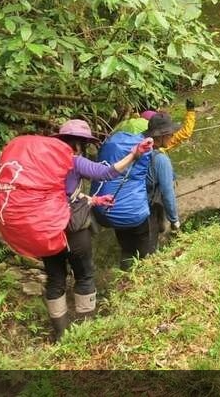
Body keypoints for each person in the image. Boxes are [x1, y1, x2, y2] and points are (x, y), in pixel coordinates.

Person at [45, 120, 152, 340]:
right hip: (72, 230)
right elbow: (106, 173)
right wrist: (134, 154)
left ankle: (60, 335)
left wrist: (94, 200)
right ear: (81, 144)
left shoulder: (46, 163)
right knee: (84, 275)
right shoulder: (73, 160)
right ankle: (84, 331)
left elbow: (65, 194)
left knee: (55, 278)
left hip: (46, 230)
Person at [144, 112, 184, 252]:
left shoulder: (140, 150)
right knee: (148, 252)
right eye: (170, 134)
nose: (172, 136)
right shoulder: (161, 160)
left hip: (130, 207)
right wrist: (174, 221)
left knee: (130, 250)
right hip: (146, 212)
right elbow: (168, 193)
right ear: (160, 136)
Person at [113, 101, 196, 149]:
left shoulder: (124, 130)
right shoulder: (156, 148)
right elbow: (186, 132)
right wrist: (190, 111)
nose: (172, 134)